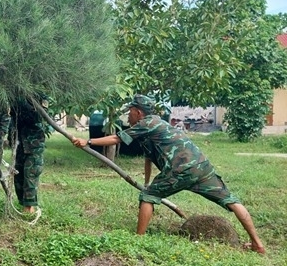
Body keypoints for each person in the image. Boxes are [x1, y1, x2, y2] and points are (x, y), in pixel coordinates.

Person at [72, 94, 265, 254]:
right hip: (201, 166)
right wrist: (147, 182)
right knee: (230, 200)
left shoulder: (147, 122)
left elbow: (117, 138)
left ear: (138, 112)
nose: (128, 117)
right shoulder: (156, 126)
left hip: (180, 169)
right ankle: (257, 243)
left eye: (130, 113)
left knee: (148, 197)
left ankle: (137, 240)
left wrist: (88, 142)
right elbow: (149, 158)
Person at [10, 97, 49, 213]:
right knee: (18, 176)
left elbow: (39, 116)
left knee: (30, 175)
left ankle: (29, 207)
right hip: (19, 144)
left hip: (33, 144)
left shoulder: (39, 95)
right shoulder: (14, 94)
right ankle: (23, 204)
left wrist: (23, 102)